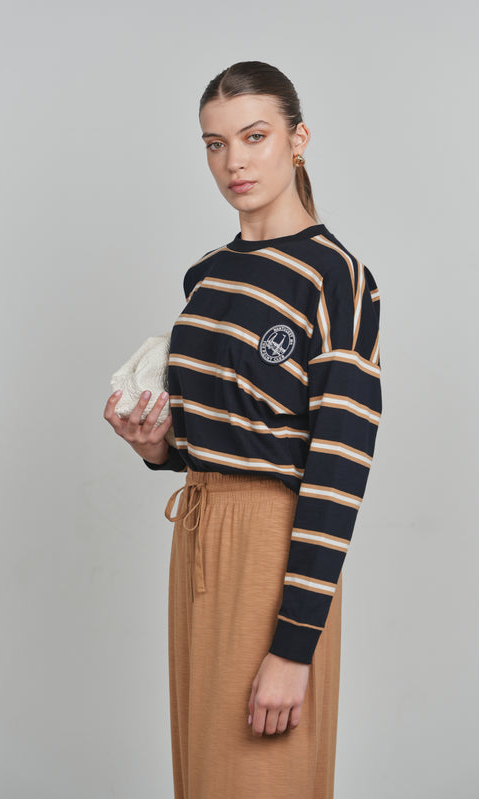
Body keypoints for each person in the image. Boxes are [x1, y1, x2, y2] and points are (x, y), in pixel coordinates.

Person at [104, 60, 382, 799]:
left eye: (254, 136)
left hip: (275, 545)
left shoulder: (336, 279)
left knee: (263, 777)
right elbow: (225, 434)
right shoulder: (205, 275)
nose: (234, 161)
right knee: (205, 777)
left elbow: (339, 465)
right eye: (215, 143)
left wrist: (294, 645)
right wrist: (158, 448)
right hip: (198, 532)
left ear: (298, 140)